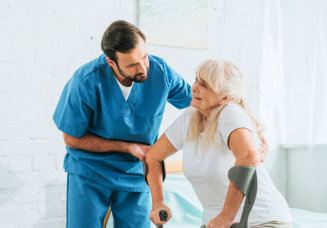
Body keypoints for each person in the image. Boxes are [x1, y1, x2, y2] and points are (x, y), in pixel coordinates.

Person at [52, 20, 193, 228]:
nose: (143, 67)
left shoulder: (160, 72)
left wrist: (244, 121)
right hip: (90, 171)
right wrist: (127, 147)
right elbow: (71, 138)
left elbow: (198, 102)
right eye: (132, 65)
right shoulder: (86, 81)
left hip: (137, 174)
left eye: (144, 57)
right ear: (111, 63)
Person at [145, 59, 292, 228]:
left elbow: (248, 156)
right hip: (216, 223)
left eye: (205, 85)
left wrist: (226, 217)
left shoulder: (230, 113)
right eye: (196, 80)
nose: (194, 87)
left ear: (225, 98)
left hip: (262, 221)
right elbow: (153, 156)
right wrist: (158, 202)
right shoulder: (190, 117)